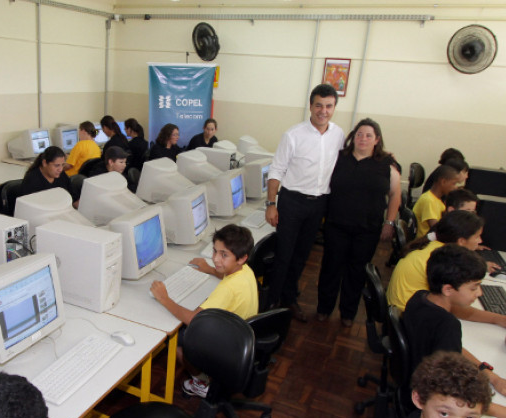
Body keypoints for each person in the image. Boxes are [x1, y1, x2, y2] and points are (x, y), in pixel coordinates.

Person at [401, 245, 506, 418]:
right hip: (426, 404)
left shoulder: (420, 298)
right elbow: (453, 395)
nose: (479, 293)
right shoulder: (447, 325)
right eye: (474, 288)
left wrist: (493, 378)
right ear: (448, 290)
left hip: (411, 385)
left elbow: (451, 352)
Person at [265, 84, 344, 322]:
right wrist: (271, 204)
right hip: (292, 202)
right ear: (310, 106)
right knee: (283, 255)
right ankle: (270, 305)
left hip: (319, 204)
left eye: (328, 106)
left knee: (301, 256)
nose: (323, 111)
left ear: (334, 108)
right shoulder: (293, 135)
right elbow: (276, 170)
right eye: (319, 105)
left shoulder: (339, 135)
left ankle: (289, 299)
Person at [150, 224, 258, 397]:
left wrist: (164, 299)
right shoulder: (245, 270)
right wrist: (210, 270)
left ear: (242, 258)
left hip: (228, 348)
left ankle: (200, 382)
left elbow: (194, 320)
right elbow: (228, 273)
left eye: (224, 255)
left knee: (176, 337)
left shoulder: (228, 289)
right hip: (241, 338)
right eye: (215, 251)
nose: (216, 259)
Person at [316, 118, 401, 327]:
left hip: (368, 230)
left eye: (368, 135)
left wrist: (389, 223)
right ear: (353, 137)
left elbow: (395, 195)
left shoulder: (387, 165)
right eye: (359, 134)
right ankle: (324, 308)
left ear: (377, 140)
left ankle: (348, 313)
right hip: (336, 225)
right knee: (330, 268)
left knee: (356, 271)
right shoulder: (338, 158)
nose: (363, 139)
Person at [386, 211, 505, 323]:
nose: (480, 241)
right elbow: (455, 308)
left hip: (403, 314)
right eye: (477, 236)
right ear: (461, 241)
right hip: (409, 319)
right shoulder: (442, 260)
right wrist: (501, 319)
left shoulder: (434, 248)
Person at [413, 164, 461, 238]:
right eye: (454, 183)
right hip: (426, 241)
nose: (455, 187)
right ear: (443, 182)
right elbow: (436, 228)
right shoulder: (429, 200)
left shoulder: (437, 200)